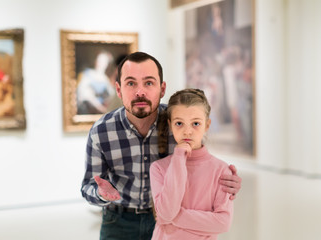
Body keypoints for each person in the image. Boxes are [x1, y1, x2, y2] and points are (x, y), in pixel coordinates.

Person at [80, 52, 242, 240]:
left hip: (170, 226)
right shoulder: (101, 131)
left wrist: (227, 184)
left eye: (148, 83)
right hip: (118, 220)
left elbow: (202, 170)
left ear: (162, 89)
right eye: (131, 83)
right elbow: (88, 186)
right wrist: (101, 193)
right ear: (118, 90)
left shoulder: (179, 122)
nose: (140, 92)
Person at [150, 88, 233, 240]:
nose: (187, 132)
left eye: (195, 123)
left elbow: (223, 223)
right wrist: (179, 157)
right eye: (179, 123)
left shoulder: (222, 170)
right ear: (170, 125)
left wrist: (174, 216)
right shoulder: (158, 168)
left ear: (207, 125)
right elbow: (167, 212)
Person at [76, 50, 116, 114]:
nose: (100, 63)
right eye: (99, 61)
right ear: (96, 61)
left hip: (100, 112)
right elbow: (85, 94)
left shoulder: (105, 79)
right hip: (87, 110)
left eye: (103, 62)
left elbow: (111, 96)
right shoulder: (87, 74)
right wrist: (100, 108)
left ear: (107, 64)